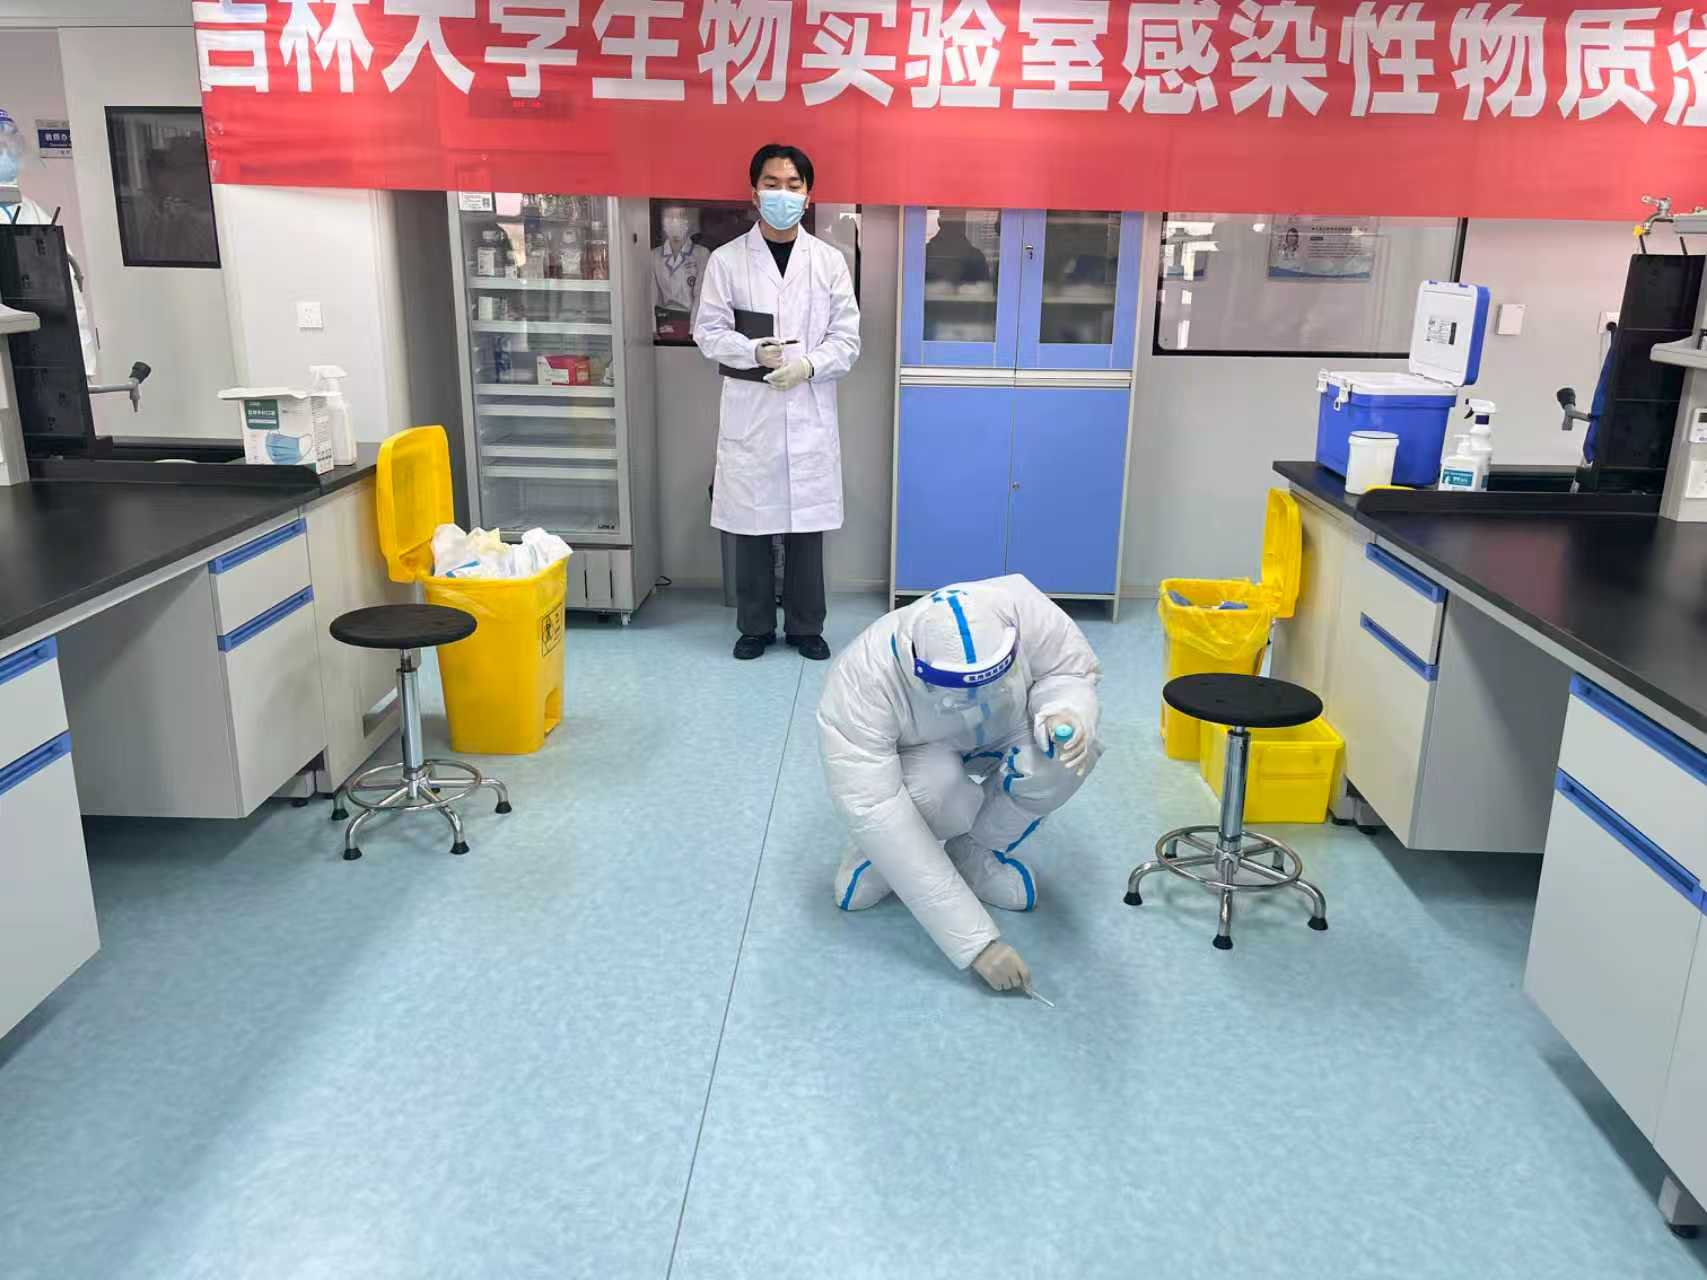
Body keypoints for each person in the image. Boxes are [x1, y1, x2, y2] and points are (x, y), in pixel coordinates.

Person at [817, 576, 1103, 993]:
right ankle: (876, 858)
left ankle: (975, 851)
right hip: (922, 752)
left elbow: (1068, 670)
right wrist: (977, 944)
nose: (977, 701)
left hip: (1007, 726)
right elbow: (876, 808)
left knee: (1059, 761)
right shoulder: (861, 679)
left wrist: (1066, 709)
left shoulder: (1022, 606)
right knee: (939, 795)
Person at [694, 143, 861, 662]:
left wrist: (808, 366)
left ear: (808, 196)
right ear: (754, 192)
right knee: (751, 524)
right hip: (753, 412)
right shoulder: (727, 260)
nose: (782, 194)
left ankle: (807, 626)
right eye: (772, 184)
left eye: (793, 185)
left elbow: (847, 339)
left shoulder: (828, 262)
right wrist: (751, 350)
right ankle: (755, 627)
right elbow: (707, 331)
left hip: (808, 408)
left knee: (806, 526)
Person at [0, 107, 96, 378]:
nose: (7, 153)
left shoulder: (33, 212)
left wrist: (83, 364)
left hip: (41, 355)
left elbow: (67, 293)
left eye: (11, 143)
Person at [652, 203, 711, 340]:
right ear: (663, 223)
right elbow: (652, 296)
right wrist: (653, 330)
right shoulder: (654, 255)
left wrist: (693, 330)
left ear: (687, 222)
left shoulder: (701, 254)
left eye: (680, 216)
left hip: (692, 323)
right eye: (669, 217)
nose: (674, 221)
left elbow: (700, 295)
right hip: (664, 323)